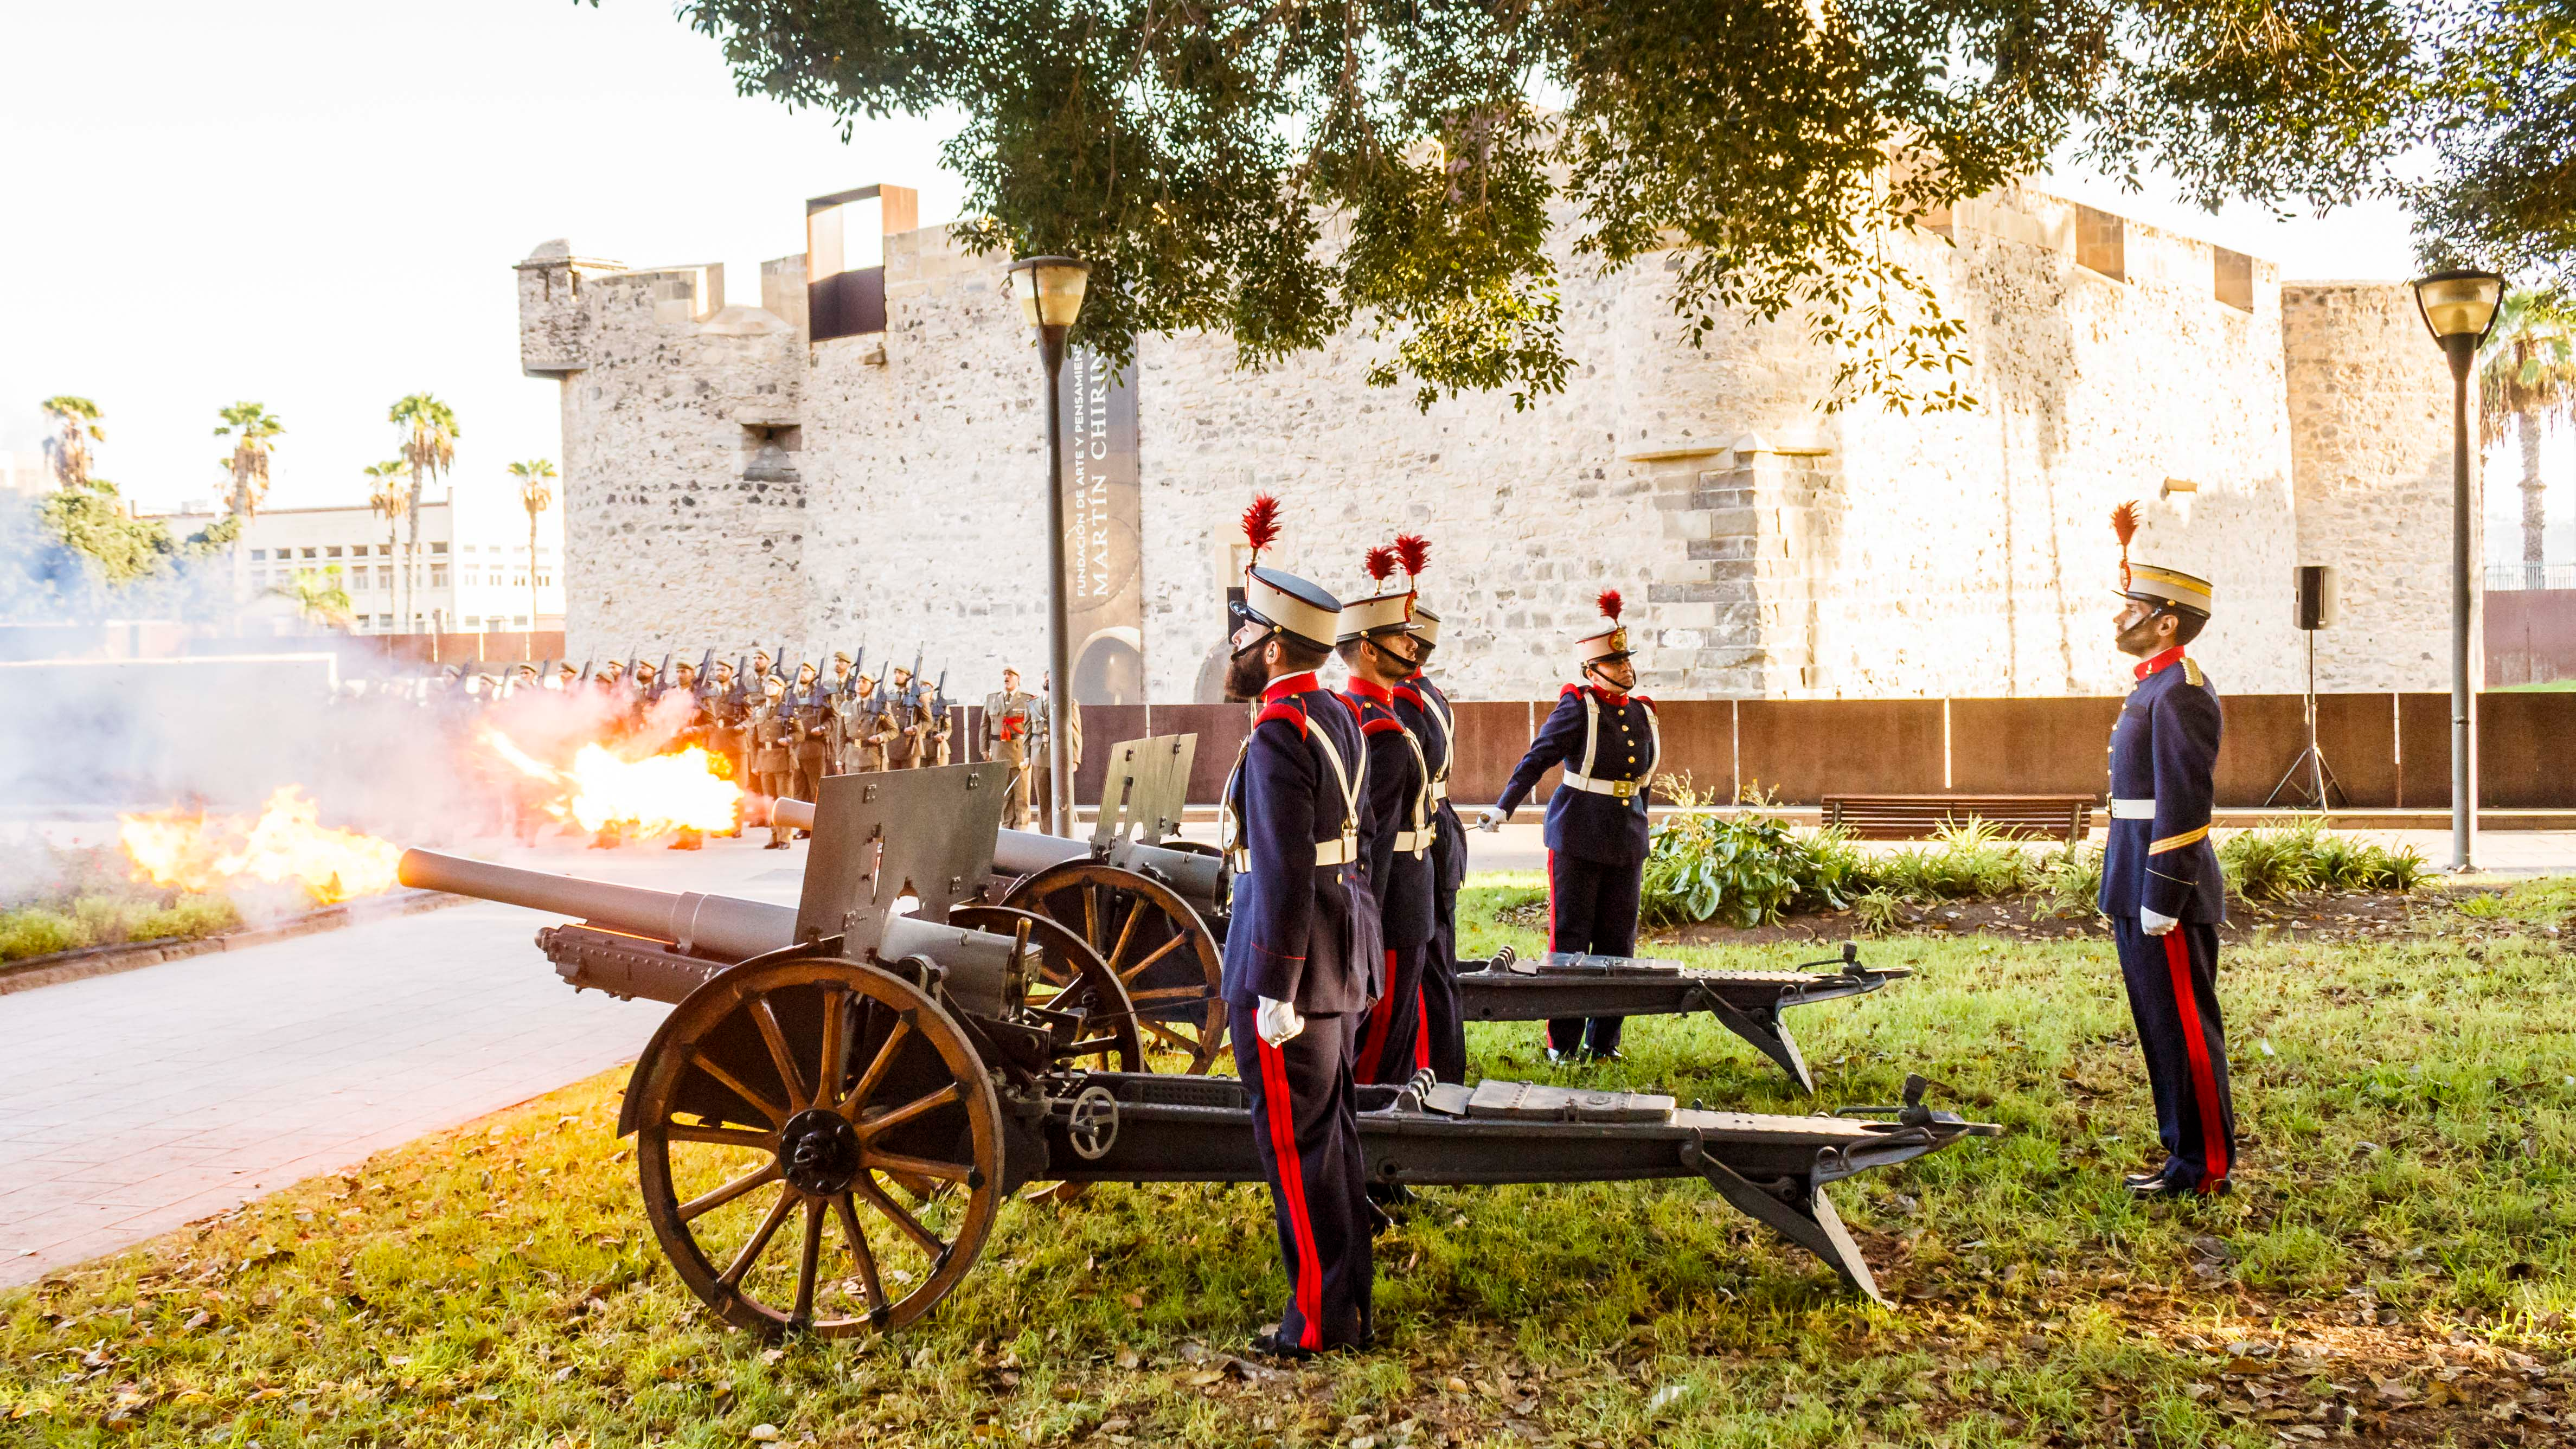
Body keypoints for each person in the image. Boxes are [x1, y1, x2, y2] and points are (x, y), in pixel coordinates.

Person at [1219, 495, 1376, 1360]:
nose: (1235, 651)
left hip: (1291, 970)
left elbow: (1280, 870)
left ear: (1273, 646)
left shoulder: (1281, 732)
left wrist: (1272, 986)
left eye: (1244, 635)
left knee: (1298, 1147)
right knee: (1333, 1140)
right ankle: (1346, 1305)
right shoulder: (1337, 714)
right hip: (1336, 957)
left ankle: (1317, 1323)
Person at [2100, 537, 2235, 1198]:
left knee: (2185, 1025)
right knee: (2160, 1025)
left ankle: (2204, 1164)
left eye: (2131, 607)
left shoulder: (2181, 692)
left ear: (2166, 621)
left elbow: (2184, 800)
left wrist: (2163, 892)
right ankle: (2180, 1155)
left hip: (2164, 891)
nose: (2118, 618)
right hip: (2134, 879)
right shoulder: (2153, 686)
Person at [1480, 589, 1659, 1063]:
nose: (1625, 668)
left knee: (1619, 946)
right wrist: (1504, 807)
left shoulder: (1642, 712)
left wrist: (1640, 827)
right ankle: (1563, 1044)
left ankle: (1604, 1044)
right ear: (1591, 669)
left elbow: (1641, 782)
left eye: (1626, 660)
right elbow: (1537, 759)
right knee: (1571, 941)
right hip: (1578, 835)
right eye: (1614, 662)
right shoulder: (1577, 707)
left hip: (1625, 839)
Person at [1338, 547, 1437, 1093]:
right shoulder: (1375, 726)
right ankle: (1373, 1156)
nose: (1412, 643)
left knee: (1394, 1043)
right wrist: (1366, 936)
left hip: (1408, 895)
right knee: (1378, 1052)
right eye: (1400, 636)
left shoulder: (1381, 714)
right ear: (1369, 650)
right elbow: (1368, 842)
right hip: (1392, 905)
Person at [1383, 540, 1468, 1083]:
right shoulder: (1428, 695)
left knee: (1429, 972)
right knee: (1438, 968)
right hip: (1439, 833)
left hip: (1420, 840)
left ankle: (1439, 1073)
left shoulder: (1405, 705)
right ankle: (1447, 1069)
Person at [985, 668, 1041, 828]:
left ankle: (1021, 831)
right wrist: (984, 750)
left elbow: (1032, 728)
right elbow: (985, 726)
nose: (1006, 677)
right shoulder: (992, 699)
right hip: (998, 753)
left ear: (1018, 678)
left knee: (1022, 798)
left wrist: (1030, 753)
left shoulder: (1027, 700)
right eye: (1004, 675)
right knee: (1004, 797)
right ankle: (1007, 829)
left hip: (1019, 753)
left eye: (1010, 675)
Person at [1029, 672, 1083, 832]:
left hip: (1060, 757)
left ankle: (1065, 834)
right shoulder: (1033, 704)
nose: (1047, 680)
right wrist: (1027, 756)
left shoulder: (1069, 703)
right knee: (1043, 802)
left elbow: (1075, 733)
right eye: (1045, 677)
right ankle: (1046, 835)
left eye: (1051, 677)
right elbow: (1028, 734)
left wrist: (1075, 759)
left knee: (1062, 800)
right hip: (1039, 758)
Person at [749, 677, 798, 850]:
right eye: (768, 685)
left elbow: (800, 733)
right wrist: (754, 763)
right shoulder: (759, 711)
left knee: (784, 800)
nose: (770, 688)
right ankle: (774, 835)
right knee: (769, 800)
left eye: (774, 685)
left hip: (782, 759)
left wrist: (789, 739)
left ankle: (786, 837)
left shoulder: (787, 710)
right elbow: (752, 740)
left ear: (781, 689)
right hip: (764, 759)